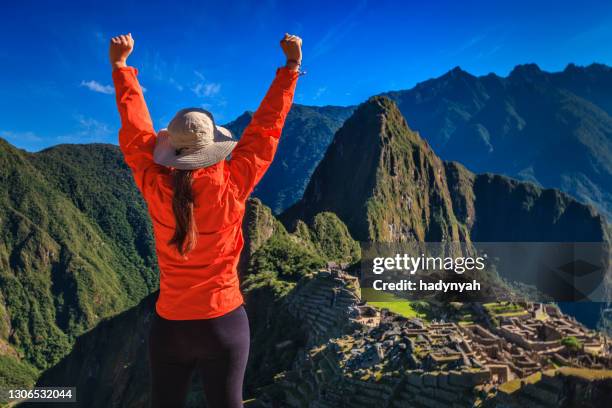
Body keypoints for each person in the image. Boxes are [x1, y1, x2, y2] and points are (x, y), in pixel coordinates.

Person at [109, 32, 302, 408]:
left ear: (171, 153)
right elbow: (266, 131)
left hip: (171, 327)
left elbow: (136, 137)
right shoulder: (234, 184)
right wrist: (291, 68)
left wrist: (121, 68)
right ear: (214, 148)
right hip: (224, 324)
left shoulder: (155, 185)